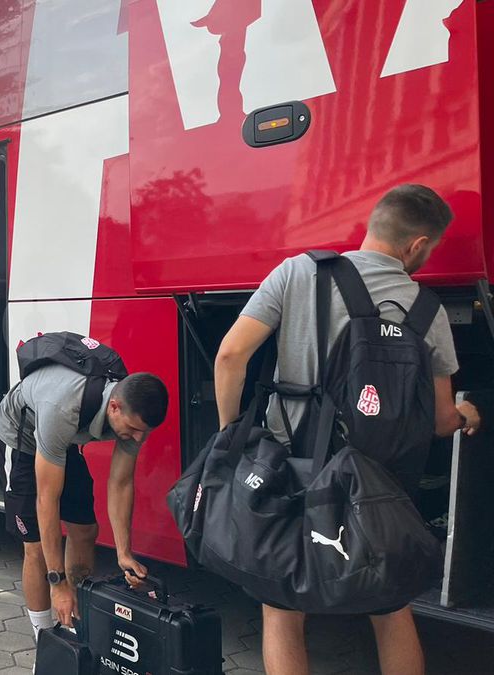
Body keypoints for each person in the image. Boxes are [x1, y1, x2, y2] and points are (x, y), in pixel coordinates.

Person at [214, 184, 482, 675]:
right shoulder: (429, 310)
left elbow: (231, 355)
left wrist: (230, 433)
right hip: (378, 485)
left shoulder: (298, 272)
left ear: (374, 224)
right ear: (418, 245)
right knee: (390, 607)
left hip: (293, 470)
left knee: (281, 608)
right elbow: (443, 420)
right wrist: (468, 415)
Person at [0, 351, 169, 636]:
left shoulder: (134, 417)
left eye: (144, 432)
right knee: (35, 546)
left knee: (85, 530)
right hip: (20, 437)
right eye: (134, 430)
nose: (138, 438)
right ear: (114, 407)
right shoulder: (63, 407)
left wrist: (124, 553)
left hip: (63, 439)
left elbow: (121, 483)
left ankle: (74, 619)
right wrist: (57, 582)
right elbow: (47, 500)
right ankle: (44, 635)